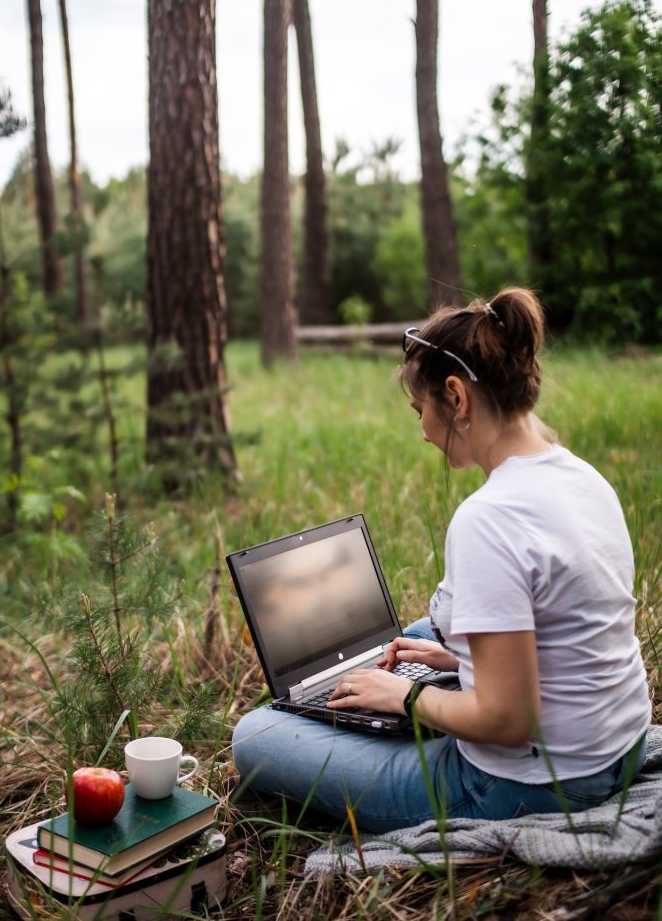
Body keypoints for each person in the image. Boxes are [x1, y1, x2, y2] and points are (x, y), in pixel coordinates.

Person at [232, 288, 651, 833]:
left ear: (456, 398)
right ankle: (390, 686)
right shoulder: (580, 476)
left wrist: (406, 696)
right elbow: (568, 625)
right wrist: (458, 664)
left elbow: (508, 721)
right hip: (620, 746)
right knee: (411, 637)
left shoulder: (489, 519)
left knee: (256, 735)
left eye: (420, 409)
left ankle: (377, 704)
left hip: (533, 784)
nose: (423, 429)